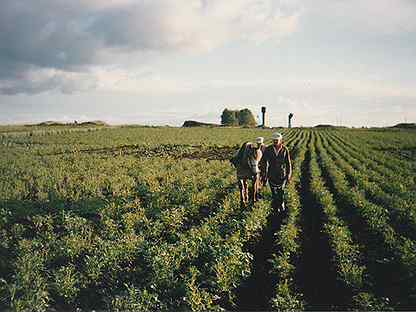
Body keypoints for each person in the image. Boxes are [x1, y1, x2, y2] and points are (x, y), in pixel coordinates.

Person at [259, 132, 292, 212]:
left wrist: (289, 174)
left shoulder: (285, 150)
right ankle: (276, 208)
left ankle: (281, 205)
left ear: (280, 140)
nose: (275, 142)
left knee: (281, 192)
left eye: (277, 140)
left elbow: (288, 163)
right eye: (274, 140)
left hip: (282, 174)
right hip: (271, 174)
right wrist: (264, 174)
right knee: (274, 193)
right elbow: (264, 161)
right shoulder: (269, 149)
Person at [235, 137, 264, 207]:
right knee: (243, 184)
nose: (259, 144)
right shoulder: (255, 150)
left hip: (255, 164)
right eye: (258, 143)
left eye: (260, 143)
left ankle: (254, 196)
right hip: (250, 165)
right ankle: (245, 199)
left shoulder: (261, 150)